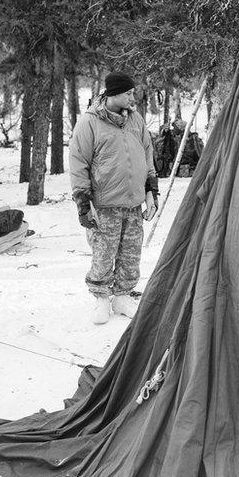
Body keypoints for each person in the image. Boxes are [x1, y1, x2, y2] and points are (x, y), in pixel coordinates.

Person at [69, 72, 159, 324]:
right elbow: (78, 162)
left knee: (131, 253)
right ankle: (100, 298)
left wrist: (151, 191)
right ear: (113, 94)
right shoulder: (90, 123)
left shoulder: (136, 120)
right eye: (128, 93)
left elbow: (147, 155)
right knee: (103, 253)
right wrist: (83, 201)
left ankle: (121, 297)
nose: (133, 97)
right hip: (105, 204)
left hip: (133, 203)